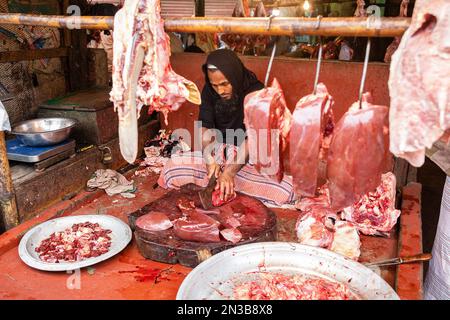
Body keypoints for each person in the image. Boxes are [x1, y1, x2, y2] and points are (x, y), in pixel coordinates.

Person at [158, 49, 296, 206]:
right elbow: (205, 128)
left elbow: (253, 139)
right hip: (218, 155)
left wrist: (230, 172)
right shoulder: (209, 91)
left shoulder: (256, 93)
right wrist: (210, 159)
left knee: (286, 190)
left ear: (235, 77)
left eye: (225, 84)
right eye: (215, 85)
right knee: (171, 167)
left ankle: (228, 184)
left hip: (247, 161)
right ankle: (223, 185)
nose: (220, 91)